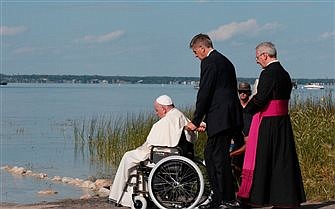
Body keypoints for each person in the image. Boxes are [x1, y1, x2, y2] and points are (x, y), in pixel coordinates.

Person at [237, 42, 306, 208]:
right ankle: (285, 197)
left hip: (269, 122)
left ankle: (259, 197)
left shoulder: (268, 73)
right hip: (283, 121)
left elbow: (261, 98)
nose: (257, 61)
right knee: (282, 160)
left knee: (264, 159)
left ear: (265, 55)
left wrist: (247, 109)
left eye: (257, 58)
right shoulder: (284, 73)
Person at [186, 33, 243, 209]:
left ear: (202, 48)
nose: (196, 56)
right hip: (229, 116)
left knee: (216, 159)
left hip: (220, 118)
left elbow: (205, 93)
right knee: (214, 157)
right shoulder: (226, 61)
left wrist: (196, 120)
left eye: (196, 52)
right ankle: (221, 197)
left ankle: (225, 199)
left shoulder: (209, 62)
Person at [108, 95, 196, 208]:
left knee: (128, 157)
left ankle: (117, 195)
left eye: (157, 110)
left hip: (162, 155)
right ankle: (135, 195)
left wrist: (141, 149)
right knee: (133, 159)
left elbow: (150, 145)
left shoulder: (165, 122)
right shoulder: (179, 115)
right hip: (176, 154)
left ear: (164, 109)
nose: (156, 113)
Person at [230, 82, 253, 188]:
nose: (242, 94)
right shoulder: (235, 106)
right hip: (236, 138)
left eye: (245, 91)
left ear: (249, 92)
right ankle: (238, 187)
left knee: (249, 166)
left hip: (250, 138)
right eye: (240, 92)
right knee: (235, 165)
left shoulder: (252, 106)